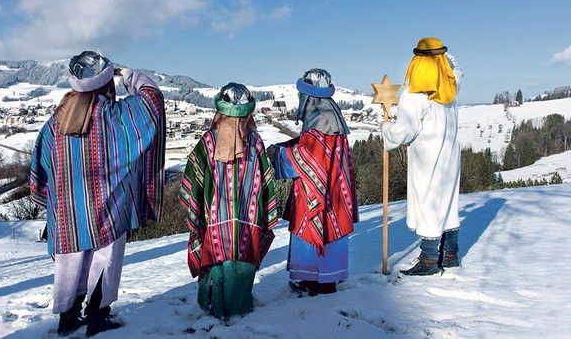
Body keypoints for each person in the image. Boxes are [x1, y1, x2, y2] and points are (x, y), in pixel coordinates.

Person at [30, 51, 165, 336]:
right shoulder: (117, 117)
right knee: (105, 258)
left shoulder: (55, 123)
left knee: (69, 262)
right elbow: (151, 98)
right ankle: (97, 316)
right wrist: (128, 74)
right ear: (107, 83)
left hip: (68, 213)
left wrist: (51, 198)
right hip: (111, 209)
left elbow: (41, 162)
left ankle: (67, 318)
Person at [180, 82, 277, 318]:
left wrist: (199, 207)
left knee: (215, 254)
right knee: (244, 255)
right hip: (249, 218)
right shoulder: (255, 142)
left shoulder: (209, 141)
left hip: (214, 220)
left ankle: (212, 303)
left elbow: (194, 178)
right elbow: (266, 183)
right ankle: (238, 305)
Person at [269, 68, 358, 295]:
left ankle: (313, 279)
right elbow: (311, 147)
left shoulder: (319, 119)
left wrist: (278, 155)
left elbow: (307, 158)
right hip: (335, 190)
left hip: (314, 193)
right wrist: (288, 146)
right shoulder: (331, 116)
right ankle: (328, 277)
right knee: (333, 227)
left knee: (310, 226)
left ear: (309, 97)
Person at [380, 37, 464, 276]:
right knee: (448, 201)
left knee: (428, 202)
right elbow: (457, 71)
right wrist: (448, 59)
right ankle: (449, 255)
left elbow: (404, 131)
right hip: (449, 156)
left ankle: (428, 261)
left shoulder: (414, 96)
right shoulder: (449, 90)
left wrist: (386, 129)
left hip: (427, 158)